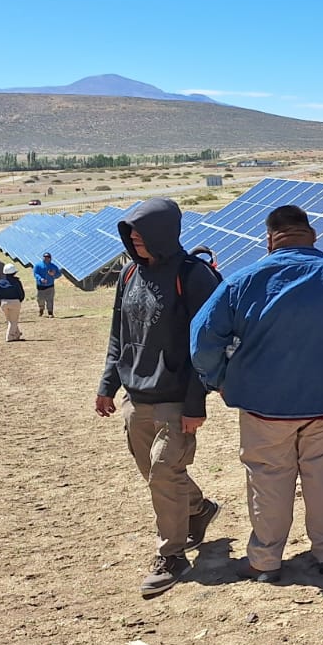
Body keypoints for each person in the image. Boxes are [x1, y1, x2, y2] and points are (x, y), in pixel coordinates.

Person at [191, 204, 323, 583]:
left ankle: (264, 559)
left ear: (269, 239)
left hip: (263, 407)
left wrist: (219, 379)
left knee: (268, 479)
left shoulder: (242, 281)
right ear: (313, 236)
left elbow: (202, 341)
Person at [94, 198, 222, 597]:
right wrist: (107, 385)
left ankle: (172, 555)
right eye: (130, 232)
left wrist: (195, 402)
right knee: (156, 474)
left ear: (165, 232)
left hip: (175, 398)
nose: (134, 238)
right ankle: (198, 509)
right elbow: (120, 333)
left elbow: (209, 344)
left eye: (142, 231)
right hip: (136, 396)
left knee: (165, 472)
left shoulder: (194, 275)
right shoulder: (129, 273)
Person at [0, 263, 26, 341]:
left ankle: (17, 334)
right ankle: (10, 337)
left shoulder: (0, 282)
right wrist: (19, 300)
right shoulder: (17, 282)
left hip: (4, 303)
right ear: (14, 273)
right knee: (14, 321)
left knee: (10, 320)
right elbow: (21, 293)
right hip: (15, 302)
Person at [33, 252, 61, 317]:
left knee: (50, 300)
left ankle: (50, 312)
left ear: (50, 259)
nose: (46, 258)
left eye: (48, 257)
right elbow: (36, 274)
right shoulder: (38, 265)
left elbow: (59, 274)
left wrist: (53, 275)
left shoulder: (53, 266)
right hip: (40, 286)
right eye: (45, 257)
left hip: (50, 286)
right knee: (40, 299)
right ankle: (41, 309)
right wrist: (41, 279)